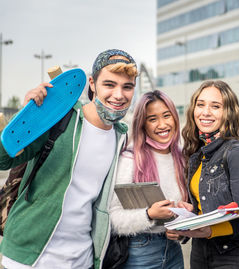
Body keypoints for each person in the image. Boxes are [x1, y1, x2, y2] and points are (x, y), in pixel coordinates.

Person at [0, 49, 138, 269]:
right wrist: (26, 118)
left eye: (127, 87)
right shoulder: (59, 117)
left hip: (81, 260)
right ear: (92, 84)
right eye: (109, 85)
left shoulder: (120, 136)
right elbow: (3, 160)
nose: (119, 95)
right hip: (27, 259)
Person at [175, 80, 239, 269]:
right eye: (200, 104)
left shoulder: (236, 153)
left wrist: (209, 230)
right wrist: (189, 215)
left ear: (228, 113)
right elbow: (205, 206)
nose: (205, 112)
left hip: (233, 255)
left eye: (215, 106)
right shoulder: (197, 155)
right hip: (201, 251)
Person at [109, 90, 186, 269]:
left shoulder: (182, 157)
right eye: (152, 119)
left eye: (167, 116)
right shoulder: (130, 160)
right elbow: (113, 218)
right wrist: (149, 215)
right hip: (140, 250)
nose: (162, 124)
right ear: (142, 125)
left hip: (173, 249)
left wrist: (183, 229)